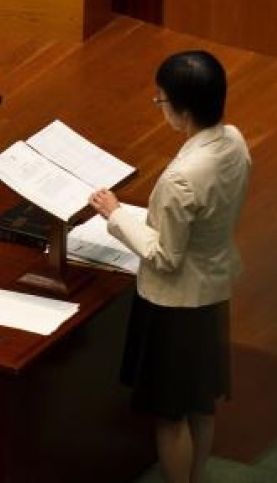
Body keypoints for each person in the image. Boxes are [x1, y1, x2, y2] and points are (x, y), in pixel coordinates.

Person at [89, 50, 251, 483]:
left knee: (170, 417)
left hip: (174, 305)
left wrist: (116, 213)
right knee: (201, 403)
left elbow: (165, 255)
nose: (159, 107)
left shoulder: (182, 177)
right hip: (212, 289)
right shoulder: (233, 141)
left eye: (161, 100)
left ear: (182, 108)